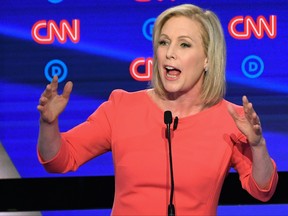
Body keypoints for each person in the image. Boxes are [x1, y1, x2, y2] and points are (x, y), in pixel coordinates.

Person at [36, 3, 278, 215]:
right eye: (164, 42)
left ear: (207, 59)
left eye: (184, 45)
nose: (170, 53)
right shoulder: (122, 107)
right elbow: (59, 160)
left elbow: (262, 190)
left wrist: (258, 146)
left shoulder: (230, 119)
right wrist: (48, 125)